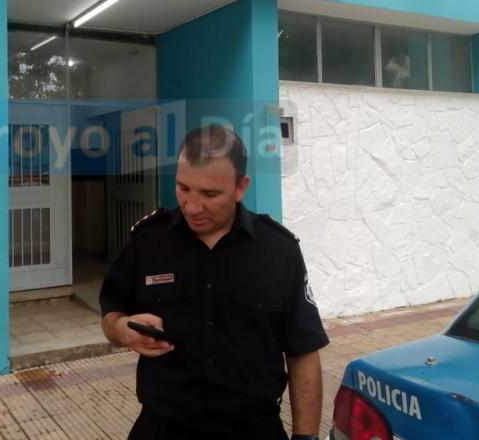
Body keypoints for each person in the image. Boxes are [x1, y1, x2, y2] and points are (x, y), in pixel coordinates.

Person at [99, 125, 329, 440]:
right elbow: (112, 312)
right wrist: (122, 330)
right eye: (183, 188)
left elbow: (303, 351)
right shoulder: (148, 241)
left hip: (253, 430)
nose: (192, 206)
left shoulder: (278, 250)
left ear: (240, 187)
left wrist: (306, 437)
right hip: (163, 428)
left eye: (210, 194)